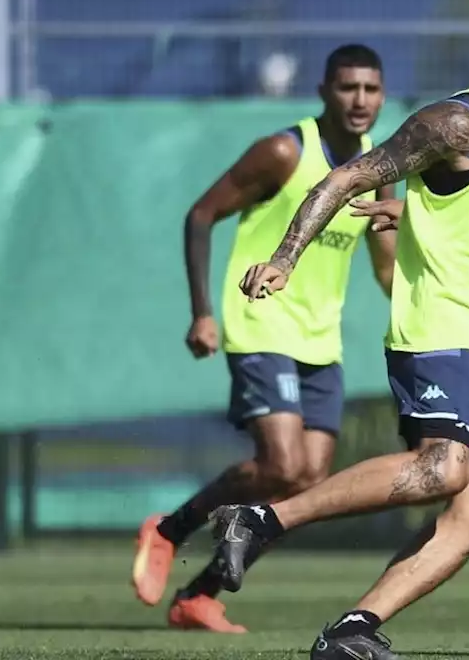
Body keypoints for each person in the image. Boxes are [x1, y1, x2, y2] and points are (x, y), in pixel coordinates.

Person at [205, 0, 469, 660]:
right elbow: (345, 178)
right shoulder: (459, 124)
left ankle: (354, 628)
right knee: (446, 467)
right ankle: (262, 518)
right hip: (440, 330)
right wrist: (284, 258)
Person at [130, 44, 397, 633]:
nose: (360, 101)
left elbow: (385, 268)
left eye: (371, 89)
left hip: (320, 341)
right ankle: (170, 530)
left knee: (303, 482)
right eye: (348, 87)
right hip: (260, 321)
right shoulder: (286, 151)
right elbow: (201, 215)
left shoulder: (375, 167)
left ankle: (197, 597)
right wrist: (203, 312)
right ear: (325, 91)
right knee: (281, 461)